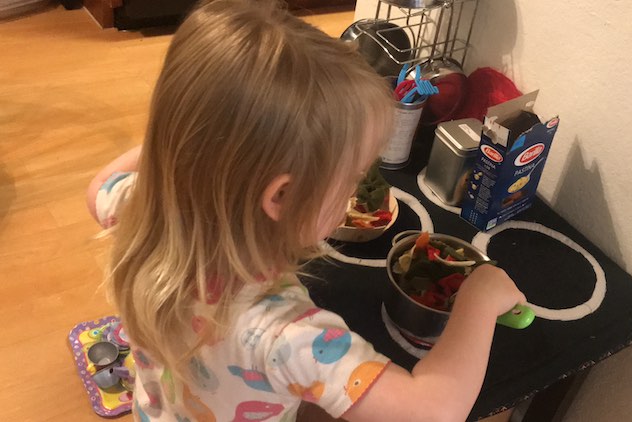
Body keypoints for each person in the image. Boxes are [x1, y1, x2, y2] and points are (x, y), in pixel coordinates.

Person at [86, 1, 527, 421]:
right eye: (352, 177)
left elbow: (97, 186)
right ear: (280, 198)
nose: (355, 192)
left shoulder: (136, 213)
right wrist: (479, 299)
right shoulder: (287, 336)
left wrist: (186, 142)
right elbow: (432, 411)